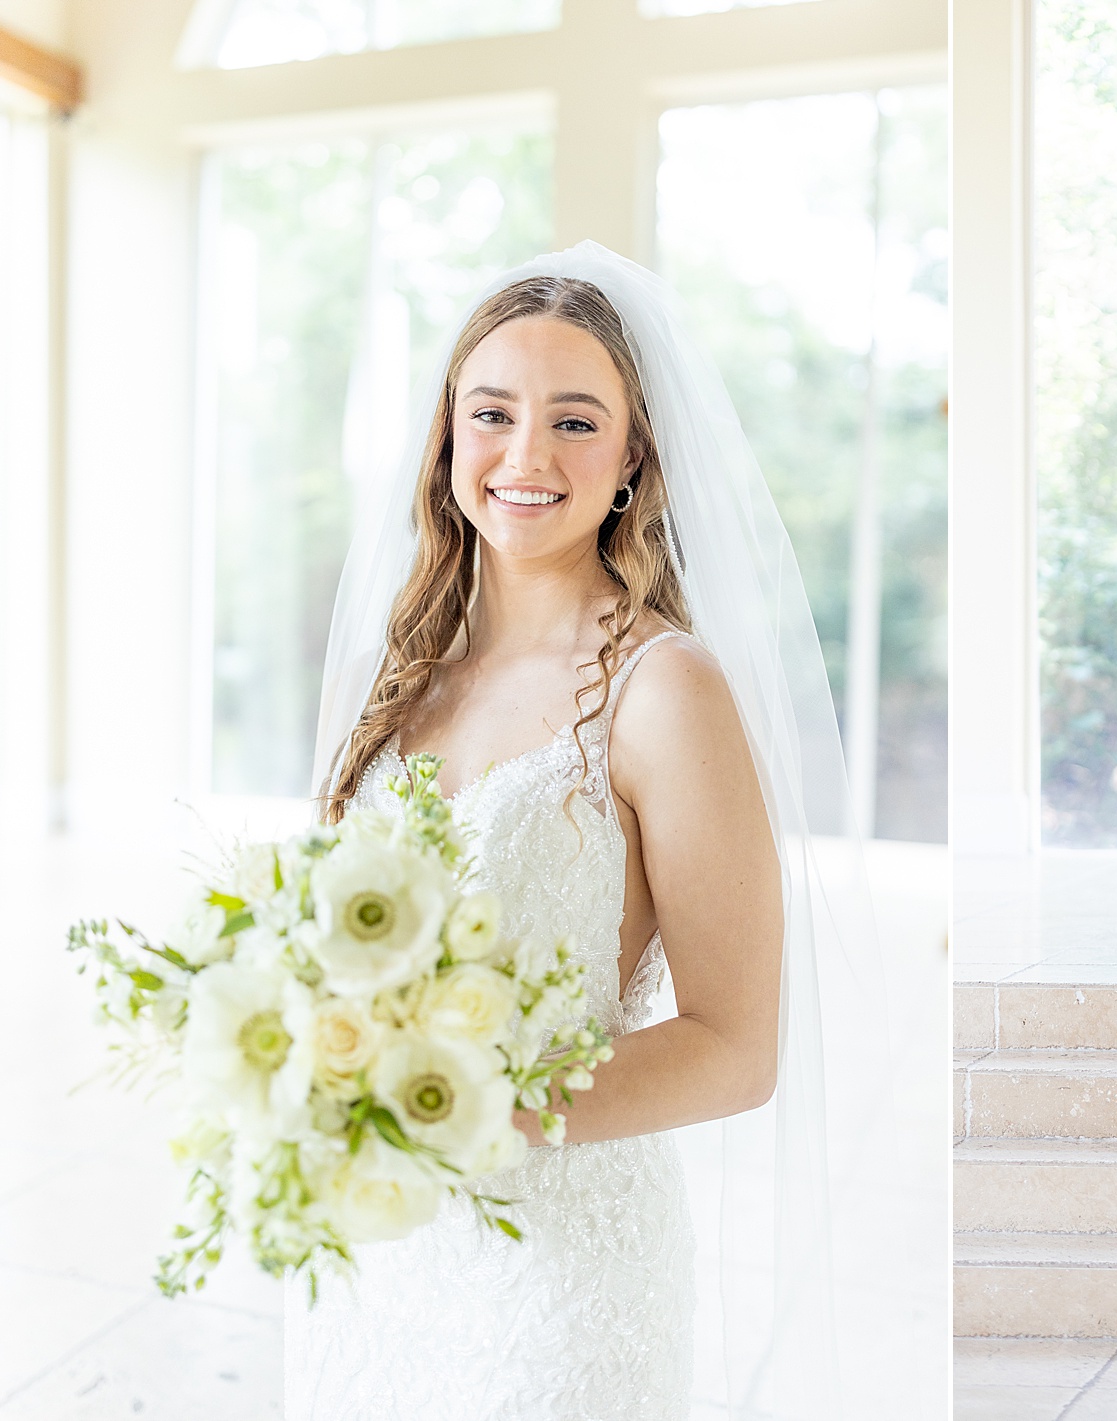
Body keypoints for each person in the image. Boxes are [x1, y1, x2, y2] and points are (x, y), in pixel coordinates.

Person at [288, 243, 880, 1417]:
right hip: (375, 1256)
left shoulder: (666, 690)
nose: (522, 456)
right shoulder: (392, 677)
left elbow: (734, 1044)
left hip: (558, 1281)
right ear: (448, 437)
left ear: (630, 461)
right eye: (492, 413)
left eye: (573, 421)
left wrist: (474, 1110)